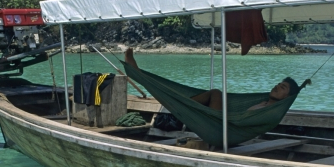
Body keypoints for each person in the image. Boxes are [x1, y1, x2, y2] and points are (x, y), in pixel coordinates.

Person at [124, 47, 299, 111]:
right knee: (214, 94)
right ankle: (182, 102)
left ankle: (183, 103)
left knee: (215, 93)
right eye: (278, 84)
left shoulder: (270, 110)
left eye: (282, 88)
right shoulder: (264, 103)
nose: (277, 87)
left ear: (287, 98)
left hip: (223, 125)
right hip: (222, 120)